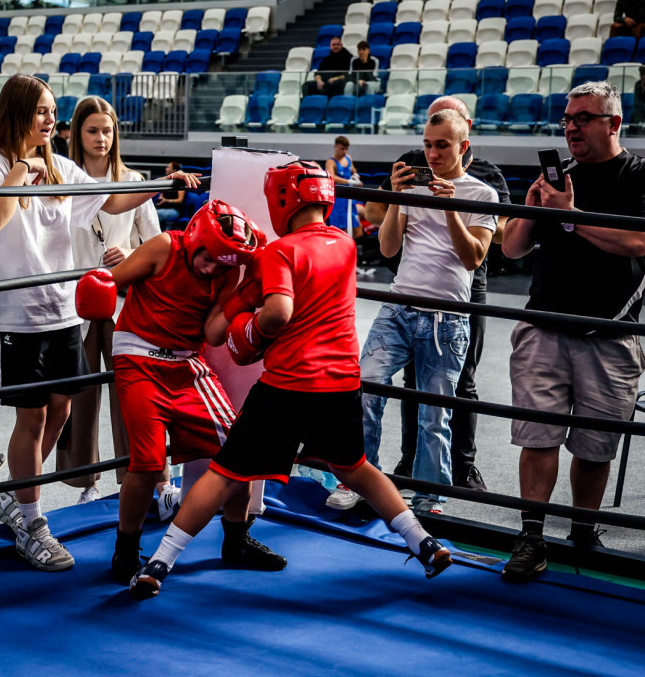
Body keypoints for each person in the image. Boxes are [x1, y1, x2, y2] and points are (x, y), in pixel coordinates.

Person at [127, 162, 452, 600]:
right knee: (355, 468)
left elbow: (248, 321)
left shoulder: (279, 253)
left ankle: (159, 562)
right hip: (341, 383)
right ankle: (423, 542)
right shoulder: (345, 245)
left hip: (288, 385)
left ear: (282, 200)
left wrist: (251, 328)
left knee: (223, 473)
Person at [0, 74, 198, 572]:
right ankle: (31, 519)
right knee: (31, 419)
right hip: (19, 314)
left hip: (62, 308)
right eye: (42, 112)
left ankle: (13, 499)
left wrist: (161, 184)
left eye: (54, 112)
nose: (52, 121)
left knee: (61, 412)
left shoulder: (60, 166)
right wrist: (21, 168)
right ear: (18, 114)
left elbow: (110, 198)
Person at [501, 81, 645, 582]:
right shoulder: (559, 178)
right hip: (544, 328)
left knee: (595, 447)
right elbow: (511, 250)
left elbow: (639, 241)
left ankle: (582, 530)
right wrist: (535, 208)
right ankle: (531, 538)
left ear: (613, 123)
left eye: (582, 118)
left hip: (610, 335)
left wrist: (570, 217)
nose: (571, 127)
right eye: (567, 119)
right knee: (538, 438)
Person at [75, 199, 286, 585]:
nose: (210, 268)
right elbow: (111, 282)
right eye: (208, 258)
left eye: (221, 263)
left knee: (242, 450)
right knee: (149, 462)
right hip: (138, 357)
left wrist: (243, 295)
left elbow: (211, 333)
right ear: (195, 238)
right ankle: (126, 549)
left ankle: (236, 539)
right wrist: (97, 289)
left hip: (187, 362)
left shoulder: (225, 272)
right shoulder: (163, 247)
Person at [353, 96, 510, 504]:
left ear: (463, 146)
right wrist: (399, 199)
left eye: (442, 145)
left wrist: (449, 208)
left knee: (433, 417)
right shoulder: (413, 186)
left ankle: (428, 498)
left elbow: (474, 257)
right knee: (363, 389)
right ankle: (359, 486)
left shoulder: (482, 194)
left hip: (448, 317)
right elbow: (388, 250)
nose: (432, 153)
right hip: (398, 307)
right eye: (427, 144)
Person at [56, 96, 172, 509]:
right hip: (76, 302)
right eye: (93, 130)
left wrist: (130, 258)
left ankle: (145, 477)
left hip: (124, 299)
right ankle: (85, 480)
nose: (101, 138)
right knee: (81, 394)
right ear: (76, 134)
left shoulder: (134, 178)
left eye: (107, 130)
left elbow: (156, 243)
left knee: (133, 394)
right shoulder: (62, 178)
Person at [324, 135, 364, 237]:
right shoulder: (331, 162)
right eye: (342, 149)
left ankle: (351, 248)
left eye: (346, 149)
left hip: (350, 197)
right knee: (339, 230)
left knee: (356, 228)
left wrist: (356, 177)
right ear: (335, 146)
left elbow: (353, 170)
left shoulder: (348, 158)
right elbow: (331, 176)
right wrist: (349, 181)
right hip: (338, 199)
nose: (344, 152)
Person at [153, 160, 186, 230]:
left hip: (174, 210)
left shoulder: (180, 183)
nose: (166, 169)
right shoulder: (166, 183)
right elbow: (161, 196)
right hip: (162, 208)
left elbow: (180, 200)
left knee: (154, 214)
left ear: (174, 170)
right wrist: (161, 199)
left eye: (168, 167)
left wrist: (167, 200)